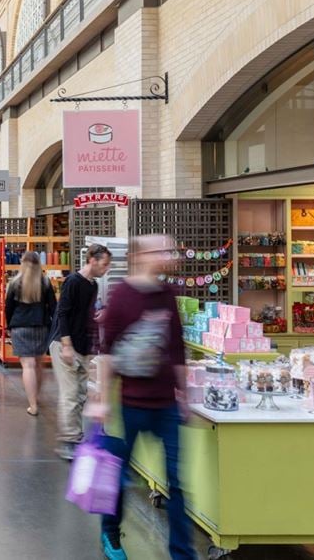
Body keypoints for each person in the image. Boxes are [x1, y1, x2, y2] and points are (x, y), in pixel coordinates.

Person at [91, 235, 195, 560]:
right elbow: (107, 352)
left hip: (165, 403)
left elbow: (176, 348)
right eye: (161, 249)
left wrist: (184, 393)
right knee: (118, 475)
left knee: (177, 481)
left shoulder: (167, 294)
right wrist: (103, 399)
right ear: (141, 256)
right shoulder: (122, 295)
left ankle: (182, 552)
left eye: (169, 249)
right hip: (131, 402)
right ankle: (111, 533)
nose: (168, 254)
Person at [49, 243, 112, 460]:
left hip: (83, 345)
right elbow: (63, 314)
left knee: (80, 393)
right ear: (92, 260)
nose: (106, 270)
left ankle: (75, 436)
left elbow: (84, 314)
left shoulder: (92, 285)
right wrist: (66, 345)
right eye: (104, 265)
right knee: (70, 395)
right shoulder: (73, 282)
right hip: (64, 344)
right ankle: (69, 440)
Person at [5, 252, 56, 416]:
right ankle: (37, 396)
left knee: (28, 366)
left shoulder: (14, 283)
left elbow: (9, 308)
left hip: (20, 327)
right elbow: (53, 307)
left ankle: (32, 404)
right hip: (41, 326)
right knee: (39, 364)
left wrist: (8, 326)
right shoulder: (45, 282)